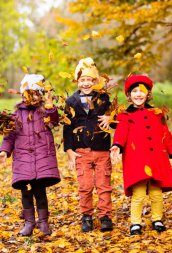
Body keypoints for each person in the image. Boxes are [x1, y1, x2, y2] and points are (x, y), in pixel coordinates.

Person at [110, 75, 172, 235]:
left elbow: (166, 134)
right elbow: (121, 132)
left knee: (156, 193)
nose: (138, 94)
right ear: (129, 95)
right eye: (134, 91)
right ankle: (135, 223)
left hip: (157, 158)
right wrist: (117, 145)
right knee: (139, 193)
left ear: (148, 94)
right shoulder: (125, 116)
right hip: (137, 160)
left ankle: (157, 219)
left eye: (142, 91)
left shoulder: (157, 113)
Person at [0, 74, 61, 236]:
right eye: (29, 93)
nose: (33, 97)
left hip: (42, 159)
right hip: (23, 161)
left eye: (37, 93)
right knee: (26, 193)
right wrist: (4, 151)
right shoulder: (16, 115)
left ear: (41, 95)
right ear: (23, 94)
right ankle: (29, 222)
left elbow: (54, 120)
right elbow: (9, 136)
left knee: (40, 191)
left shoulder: (44, 112)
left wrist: (51, 106)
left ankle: (43, 221)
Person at [63, 57, 114, 232]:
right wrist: (69, 150)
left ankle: (105, 216)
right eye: (82, 80)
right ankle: (86, 216)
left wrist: (111, 118)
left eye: (90, 80)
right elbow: (67, 127)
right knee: (85, 186)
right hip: (81, 151)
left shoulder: (104, 98)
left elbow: (114, 122)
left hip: (101, 149)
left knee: (103, 184)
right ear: (77, 81)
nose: (86, 83)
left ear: (95, 81)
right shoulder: (71, 101)